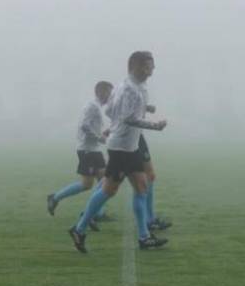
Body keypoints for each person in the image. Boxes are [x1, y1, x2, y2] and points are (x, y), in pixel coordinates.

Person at [69, 51, 168, 252]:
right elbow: (127, 118)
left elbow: (110, 111)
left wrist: (143, 108)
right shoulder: (129, 89)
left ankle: (144, 237)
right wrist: (154, 125)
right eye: (149, 66)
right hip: (122, 148)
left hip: (128, 146)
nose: (152, 70)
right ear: (136, 67)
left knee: (142, 186)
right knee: (109, 190)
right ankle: (79, 228)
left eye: (152, 66)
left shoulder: (129, 86)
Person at [47, 81, 113, 221]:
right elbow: (84, 127)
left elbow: (91, 127)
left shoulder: (97, 107)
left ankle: (98, 213)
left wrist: (103, 134)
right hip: (87, 150)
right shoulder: (92, 107)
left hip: (94, 149)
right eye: (109, 92)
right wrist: (99, 138)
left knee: (104, 179)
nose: (111, 96)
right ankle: (55, 197)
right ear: (100, 92)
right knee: (86, 184)